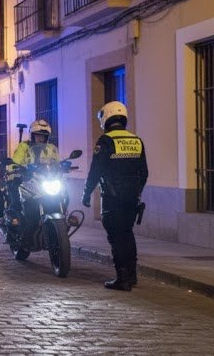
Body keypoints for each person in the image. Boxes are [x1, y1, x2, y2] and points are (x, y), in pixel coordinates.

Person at [82, 102, 149, 291]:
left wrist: (87, 192)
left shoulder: (105, 141)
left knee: (116, 237)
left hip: (112, 199)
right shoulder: (137, 140)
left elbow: (95, 171)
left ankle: (122, 278)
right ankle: (133, 275)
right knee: (127, 234)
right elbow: (144, 172)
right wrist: (136, 191)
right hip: (132, 199)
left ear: (107, 117)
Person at [5, 119, 59, 218]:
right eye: (38, 135)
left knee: (63, 196)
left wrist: (63, 166)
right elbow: (15, 162)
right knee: (16, 202)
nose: (40, 138)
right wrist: (15, 168)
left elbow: (56, 162)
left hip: (44, 180)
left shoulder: (51, 148)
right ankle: (15, 221)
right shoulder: (24, 146)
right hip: (25, 179)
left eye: (43, 136)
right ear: (32, 135)